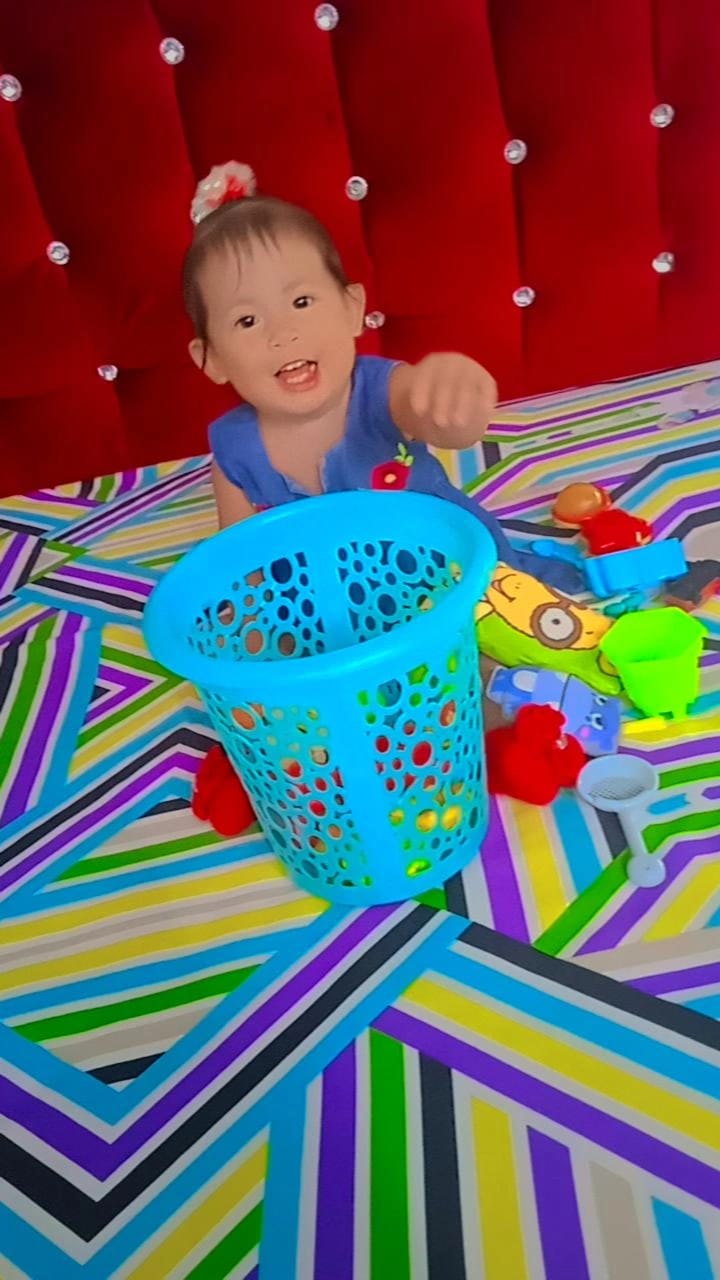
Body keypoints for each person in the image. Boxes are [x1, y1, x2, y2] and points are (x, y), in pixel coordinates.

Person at [183, 161, 583, 594]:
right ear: (210, 359)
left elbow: (442, 423)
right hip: (327, 606)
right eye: (247, 320)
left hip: (446, 577)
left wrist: (450, 389)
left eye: (301, 301)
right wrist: (249, 610)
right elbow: (241, 555)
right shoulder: (234, 452)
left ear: (352, 308)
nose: (283, 333)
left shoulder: (382, 392)